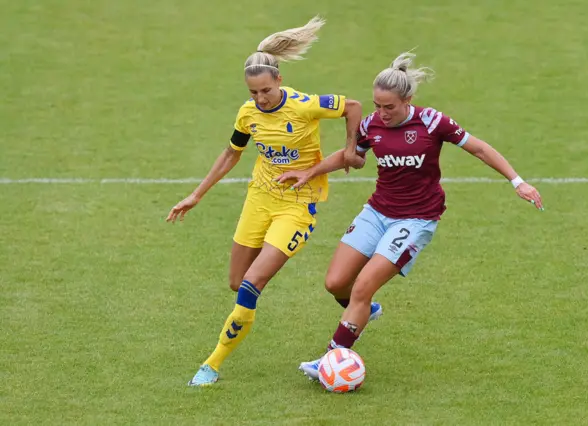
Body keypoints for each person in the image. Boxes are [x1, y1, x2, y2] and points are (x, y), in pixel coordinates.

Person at [276, 52, 543, 380]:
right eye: (377, 105)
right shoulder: (371, 124)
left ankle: (332, 360)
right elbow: (351, 155)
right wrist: (311, 171)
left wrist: (517, 181)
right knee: (336, 283)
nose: (381, 114)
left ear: (408, 100)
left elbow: (479, 148)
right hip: (377, 212)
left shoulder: (432, 122)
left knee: (361, 288)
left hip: (415, 220)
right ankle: (365, 312)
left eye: (389, 107)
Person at [165, 17, 368, 386]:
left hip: (297, 204)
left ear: (279, 81)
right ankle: (358, 305)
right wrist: (196, 195)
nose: (260, 99)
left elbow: (352, 106)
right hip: (259, 199)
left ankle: (212, 364)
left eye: (265, 91)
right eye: (253, 92)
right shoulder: (247, 114)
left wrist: (352, 149)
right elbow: (231, 154)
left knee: (251, 284)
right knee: (236, 281)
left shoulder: (305, 105)